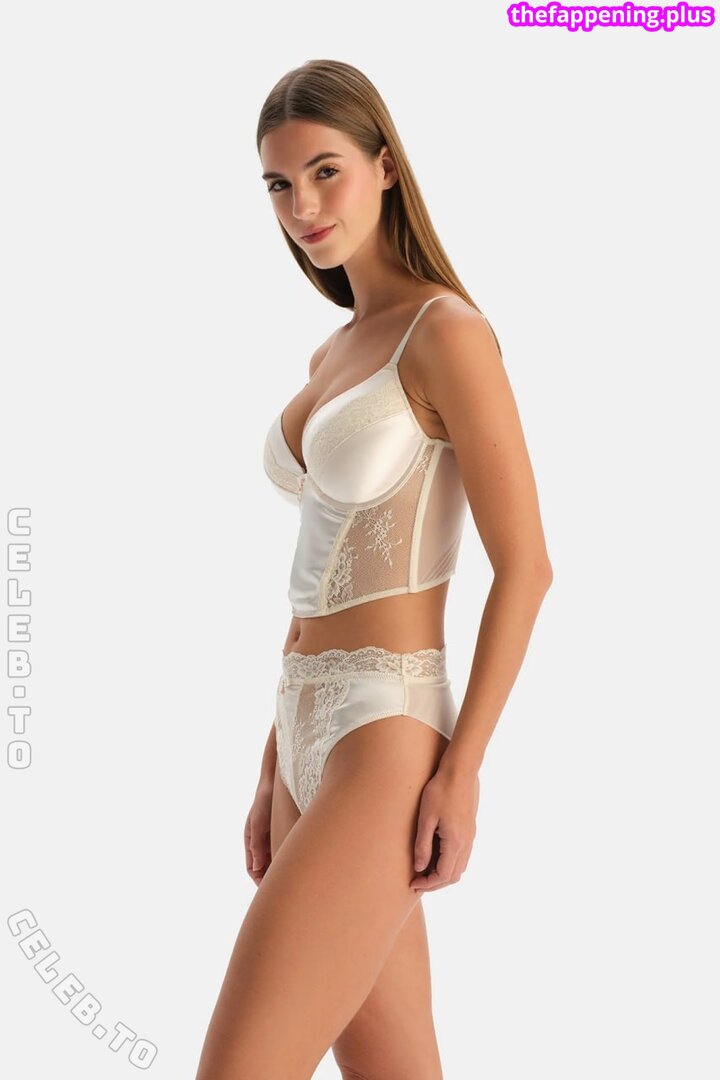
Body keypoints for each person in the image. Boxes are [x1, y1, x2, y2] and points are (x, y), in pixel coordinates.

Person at [195, 59, 553, 1080]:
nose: (302, 207)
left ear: (385, 167)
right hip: (304, 726)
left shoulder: (448, 334)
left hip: (386, 730)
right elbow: (319, 569)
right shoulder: (333, 354)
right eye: (279, 184)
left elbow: (526, 568)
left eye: (326, 172)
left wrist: (461, 771)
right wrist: (275, 758)